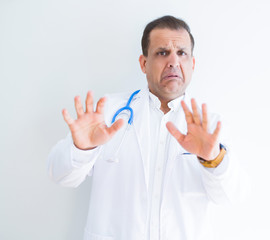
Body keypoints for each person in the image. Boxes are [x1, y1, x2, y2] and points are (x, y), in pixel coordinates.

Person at [48, 15, 238, 240]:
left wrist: (213, 159)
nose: (173, 62)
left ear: (192, 64)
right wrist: (82, 149)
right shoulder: (107, 112)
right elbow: (61, 176)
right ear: (144, 63)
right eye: (162, 52)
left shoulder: (210, 127)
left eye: (182, 53)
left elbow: (229, 195)